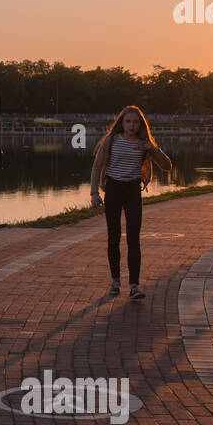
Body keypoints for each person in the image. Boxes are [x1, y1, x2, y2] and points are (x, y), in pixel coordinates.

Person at [89, 105, 172, 300]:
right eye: (128, 121)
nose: (132, 125)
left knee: (133, 239)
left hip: (133, 191)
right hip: (113, 190)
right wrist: (94, 193)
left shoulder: (145, 144)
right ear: (122, 123)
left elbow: (167, 166)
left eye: (136, 122)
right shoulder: (111, 141)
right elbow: (97, 167)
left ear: (140, 124)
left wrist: (154, 149)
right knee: (114, 237)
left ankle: (134, 285)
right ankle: (115, 281)